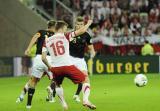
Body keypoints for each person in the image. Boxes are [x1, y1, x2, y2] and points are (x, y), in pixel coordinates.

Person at [42, 20, 96, 110]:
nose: (66, 30)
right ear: (62, 28)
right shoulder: (65, 36)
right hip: (67, 66)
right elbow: (82, 31)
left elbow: (43, 58)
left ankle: (64, 104)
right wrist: (88, 24)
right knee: (85, 80)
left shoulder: (47, 40)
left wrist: (49, 67)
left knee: (58, 85)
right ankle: (86, 100)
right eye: (66, 28)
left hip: (55, 68)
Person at [16, 20, 56, 109]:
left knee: (33, 80)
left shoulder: (41, 32)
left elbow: (34, 38)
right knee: (56, 78)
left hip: (38, 58)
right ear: (54, 27)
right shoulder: (55, 35)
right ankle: (51, 91)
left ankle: (27, 103)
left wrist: (28, 48)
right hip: (49, 59)